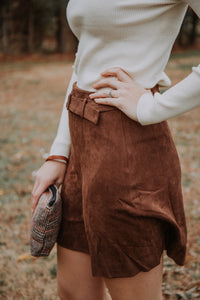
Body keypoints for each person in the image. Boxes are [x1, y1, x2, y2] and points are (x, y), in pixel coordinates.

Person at [31, 0, 200, 299]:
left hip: (126, 144)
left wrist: (153, 107)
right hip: (80, 136)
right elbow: (85, 58)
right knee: (74, 291)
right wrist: (59, 152)